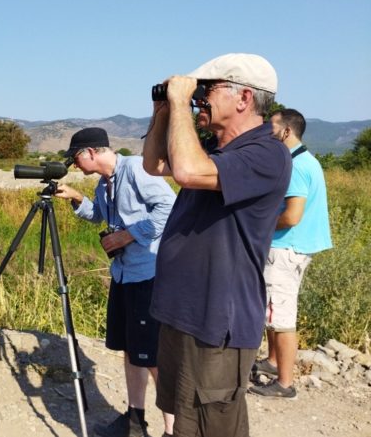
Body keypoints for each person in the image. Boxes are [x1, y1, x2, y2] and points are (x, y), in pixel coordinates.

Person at [142, 53, 291, 437]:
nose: (200, 96)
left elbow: (188, 171)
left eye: (209, 88)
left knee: (215, 427)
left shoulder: (267, 153)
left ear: (244, 98)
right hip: (183, 313)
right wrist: (164, 111)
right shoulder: (214, 148)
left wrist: (179, 103)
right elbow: (155, 165)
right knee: (184, 423)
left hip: (216, 322)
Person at [54, 127, 176, 437]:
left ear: (91, 153)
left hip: (148, 273)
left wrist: (130, 234)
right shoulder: (102, 183)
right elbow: (99, 216)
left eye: (77, 159)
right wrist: (76, 198)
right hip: (123, 273)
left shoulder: (136, 168)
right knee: (130, 349)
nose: (76, 166)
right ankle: (135, 420)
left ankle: (175, 428)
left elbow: (170, 207)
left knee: (150, 354)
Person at [249, 109, 332, 398]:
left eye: (272, 127)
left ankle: (284, 383)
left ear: (286, 132)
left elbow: (292, 215)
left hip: (286, 246)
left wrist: (259, 222)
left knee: (280, 317)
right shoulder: (307, 161)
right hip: (296, 246)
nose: (267, 131)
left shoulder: (295, 166)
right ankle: (272, 362)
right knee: (273, 309)